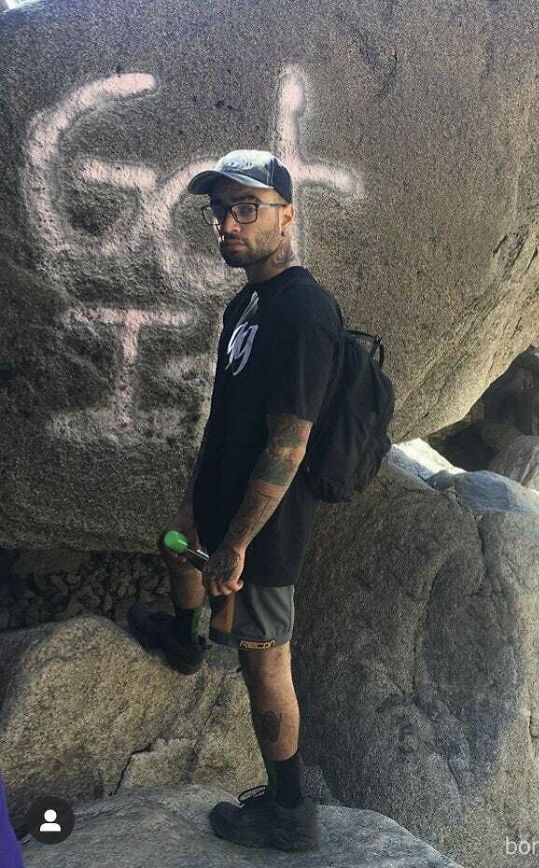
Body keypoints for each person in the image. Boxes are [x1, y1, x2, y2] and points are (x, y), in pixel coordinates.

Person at [127, 149, 343, 852]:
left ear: (287, 214)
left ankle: (289, 809)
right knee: (171, 549)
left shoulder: (306, 311)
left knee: (263, 661)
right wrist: (195, 506)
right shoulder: (246, 302)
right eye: (219, 210)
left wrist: (238, 546)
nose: (227, 223)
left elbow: (289, 444)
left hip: (266, 533)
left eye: (246, 208)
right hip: (220, 507)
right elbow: (228, 421)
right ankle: (188, 641)